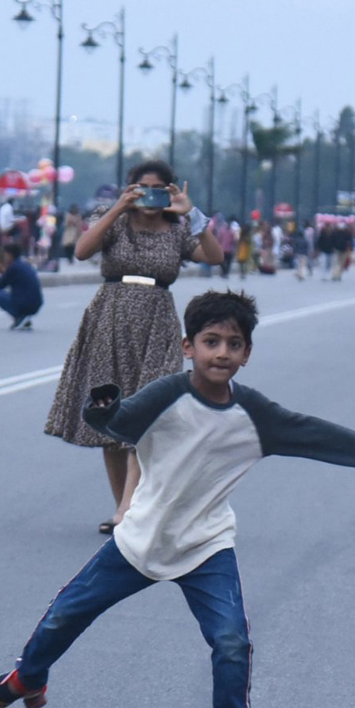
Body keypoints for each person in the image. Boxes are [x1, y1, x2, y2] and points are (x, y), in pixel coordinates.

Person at [0, 290, 355, 708]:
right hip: (141, 538)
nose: (222, 352)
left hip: (205, 546)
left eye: (234, 343)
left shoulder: (257, 417)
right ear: (188, 346)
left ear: (247, 353)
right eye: (211, 341)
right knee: (63, 617)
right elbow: (118, 423)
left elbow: (320, 436)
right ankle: (21, 681)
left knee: (231, 641)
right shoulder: (167, 396)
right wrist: (103, 408)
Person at [45, 159, 223, 536]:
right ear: (130, 188)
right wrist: (117, 209)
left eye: (158, 189)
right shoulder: (115, 221)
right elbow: (81, 251)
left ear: (170, 192)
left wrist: (194, 216)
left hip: (157, 320)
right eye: (141, 188)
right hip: (110, 316)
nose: (149, 196)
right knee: (110, 411)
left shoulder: (177, 230)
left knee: (147, 416)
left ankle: (129, 508)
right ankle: (123, 510)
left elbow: (214, 257)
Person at [0, 242, 43, 330]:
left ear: (9, 255)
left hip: (24, 304)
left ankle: (19, 316)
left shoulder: (13, 267)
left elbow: (0, 285)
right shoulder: (23, 264)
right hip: (36, 304)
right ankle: (23, 319)